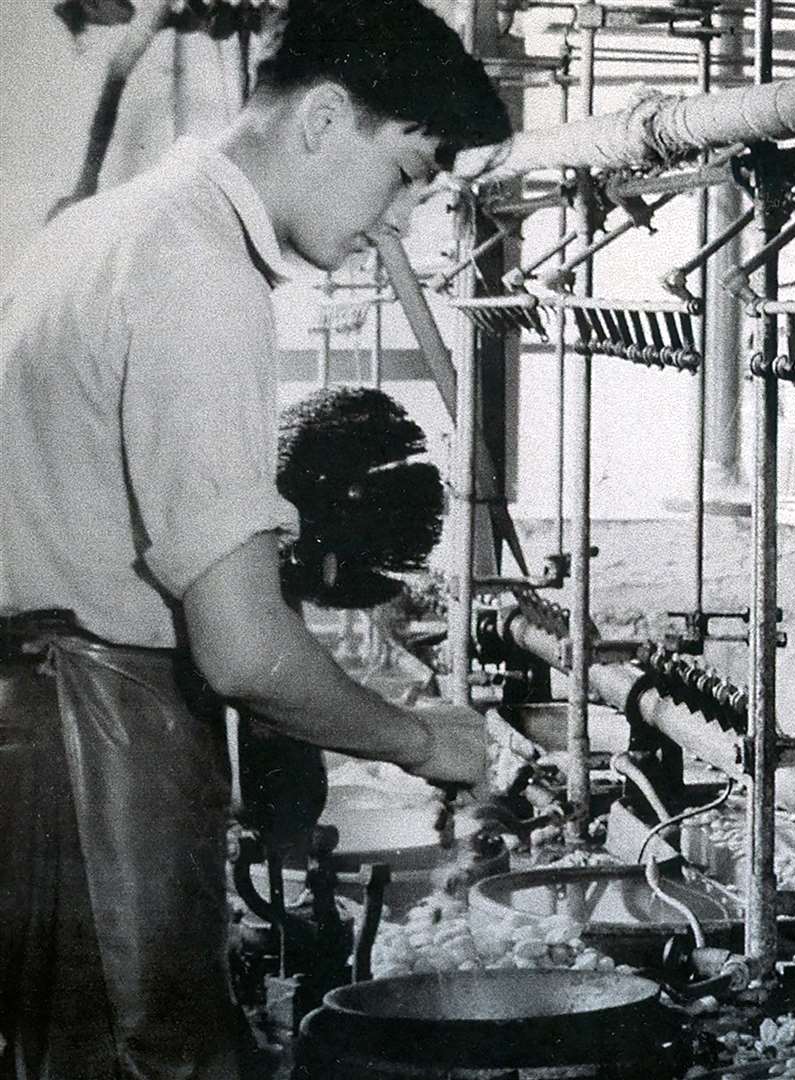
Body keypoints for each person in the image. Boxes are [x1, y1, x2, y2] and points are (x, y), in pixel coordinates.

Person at [0, 2, 515, 1077]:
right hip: (92, 734)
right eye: (407, 173)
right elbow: (243, 650)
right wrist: (431, 742)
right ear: (323, 120)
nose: (398, 224)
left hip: (46, 721)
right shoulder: (197, 272)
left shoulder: (105, 226)